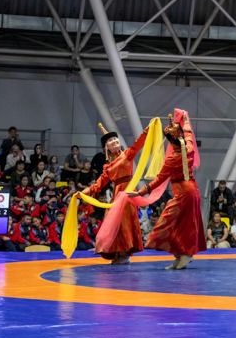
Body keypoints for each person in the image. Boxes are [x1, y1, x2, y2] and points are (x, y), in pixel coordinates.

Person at [139, 111, 207, 270]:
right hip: (192, 191)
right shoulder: (189, 147)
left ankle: (186, 255)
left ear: (170, 142)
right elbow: (188, 133)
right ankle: (180, 255)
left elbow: (159, 180)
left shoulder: (173, 158)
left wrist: (140, 192)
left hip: (183, 193)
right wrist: (186, 121)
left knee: (169, 224)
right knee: (182, 225)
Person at [81, 124, 149, 265]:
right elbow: (98, 184)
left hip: (128, 192)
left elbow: (138, 144)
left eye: (115, 139)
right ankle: (117, 252)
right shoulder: (108, 165)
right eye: (110, 140)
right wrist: (83, 193)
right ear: (106, 147)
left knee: (124, 223)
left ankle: (125, 253)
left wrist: (146, 131)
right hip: (116, 194)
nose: (114, 141)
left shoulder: (127, 154)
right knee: (112, 223)